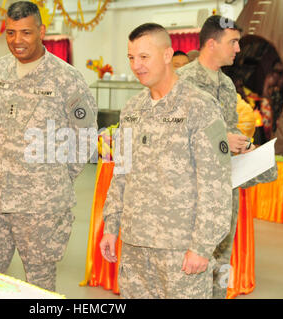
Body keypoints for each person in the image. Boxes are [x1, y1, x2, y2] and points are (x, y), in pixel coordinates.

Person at [0, 1, 97, 292]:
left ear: (41, 31)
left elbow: (86, 136)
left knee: (38, 284)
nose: (17, 41)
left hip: (41, 203)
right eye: (11, 33)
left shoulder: (66, 78)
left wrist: (57, 176)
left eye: (25, 32)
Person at [99, 23, 232, 299]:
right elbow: (121, 173)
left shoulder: (200, 107)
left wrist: (202, 247)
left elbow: (215, 186)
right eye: (131, 58)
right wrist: (111, 227)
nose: (137, 65)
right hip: (136, 247)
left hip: (180, 250)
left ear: (168, 54)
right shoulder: (133, 109)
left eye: (144, 57)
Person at [176, 15, 277, 298]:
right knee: (189, 264)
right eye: (233, 42)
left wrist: (243, 146)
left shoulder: (227, 85)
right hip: (190, 195)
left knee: (221, 261)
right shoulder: (181, 82)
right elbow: (169, 139)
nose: (237, 49)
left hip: (223, 191)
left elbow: (228, 130)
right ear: (211, 44)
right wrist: (221, 140)